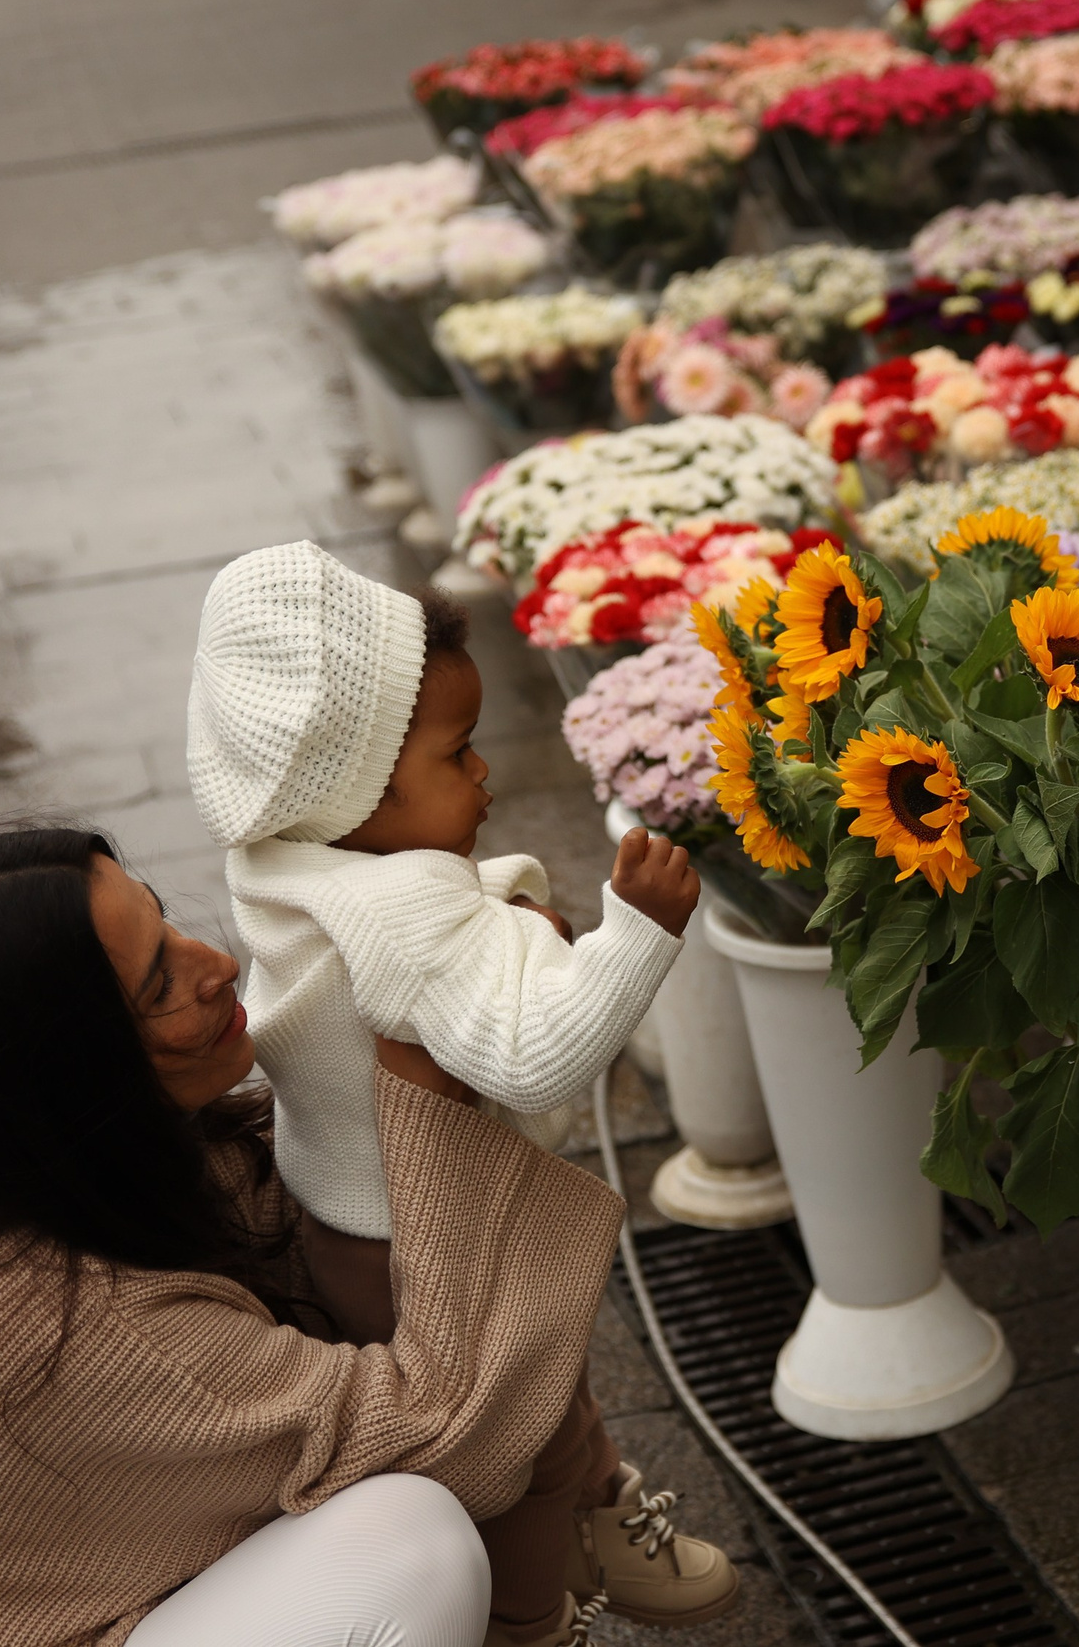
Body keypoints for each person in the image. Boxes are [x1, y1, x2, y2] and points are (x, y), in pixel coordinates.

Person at [0, 827, 663, 1646]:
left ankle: (584, 1507)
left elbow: (311, 1196)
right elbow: (449, 1431)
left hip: (87, 1593)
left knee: (422, 1263)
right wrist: (425, 1097)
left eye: (165, 921)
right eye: (158, 982)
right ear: (70, 1072)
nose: (215, 964)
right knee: (409, 1545)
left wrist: (484, 977)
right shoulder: (64, 1320)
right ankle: (546, 1588)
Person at [184, 542, 735, 1641]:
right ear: (353, 792)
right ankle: (534, 1613)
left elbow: (408, 931)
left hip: (342, 1219)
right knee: (509, 1439)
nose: (485, 774)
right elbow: (534, 1055)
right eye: (459, 750)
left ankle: (599, 1504)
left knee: (544, 1379)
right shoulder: (402, 908)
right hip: (427, 1240)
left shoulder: (284, 860)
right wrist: (639, 934)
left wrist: (496, 906)